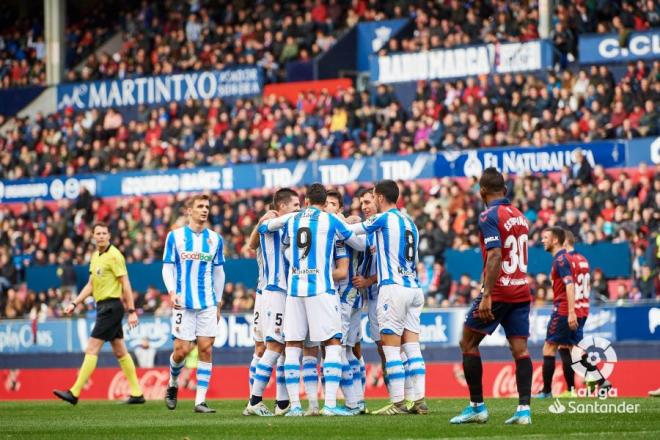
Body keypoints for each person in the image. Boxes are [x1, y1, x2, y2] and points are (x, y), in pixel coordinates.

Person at [265, 183, 363, 416]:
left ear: (307, 201)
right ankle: (329, 404)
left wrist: (268, 220)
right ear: (322, 202)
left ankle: (296, 407)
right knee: (332, 344)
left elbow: (274, 236)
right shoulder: (331, 220)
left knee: (293, 346)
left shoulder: (292, 219)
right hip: (321, 289)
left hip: (295, 291)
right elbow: (357, 243)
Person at [449, 167, 533, 425]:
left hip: (498, 292)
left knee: (467, 342)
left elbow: (495, 254)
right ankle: (524, 411)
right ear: (505, 191)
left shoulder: (488, 215)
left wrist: (487, 295)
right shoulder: (520, 215)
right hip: (521, 289)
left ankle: (477, 407)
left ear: (482, 191)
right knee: (520, 350)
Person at [346, 179, 427, 416]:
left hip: (393, 288)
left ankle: (398, 402)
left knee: (390, 349)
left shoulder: (383, 218)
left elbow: (351, 231)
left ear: (380, 197)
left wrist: (336, 221)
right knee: (412, 347)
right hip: (414, 288)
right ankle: (419, 399)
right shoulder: (410, 222)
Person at [53, 223, 144, 405]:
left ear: (109, 235)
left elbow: (125, 283)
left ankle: (75, 392)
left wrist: (132, 310)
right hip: (102, 307)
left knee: (92, 348)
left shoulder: (115, 255)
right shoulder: (95, 257)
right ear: (93, 236)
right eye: (98, 233)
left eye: (104, 233)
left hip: (112, 307)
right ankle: (137, 393)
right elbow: (90, 285)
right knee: (120, 351)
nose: (101, 236)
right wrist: (74, 303)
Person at [162, 194, 226, 413]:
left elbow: (219, 273)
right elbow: (167, 267)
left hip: (207, 302)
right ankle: (172, 383)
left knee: (206, 349)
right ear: (189, 211)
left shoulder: (215, 239)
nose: (205, 210)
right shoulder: (175, 237)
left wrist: (218, 303)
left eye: (207, 206)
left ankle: (200, 401)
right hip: (183, 303)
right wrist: (172, 293)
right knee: (181, 351)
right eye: (200, 206)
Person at [244, 189, 300, 416]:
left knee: (284, 348)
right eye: (295, 205)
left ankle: (282, 403)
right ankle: (254, 401)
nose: (298, 209)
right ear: (282, 206)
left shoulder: (283, 225)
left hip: (277, 293)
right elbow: (253, 241)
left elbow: (251, 243)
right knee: (273, 346)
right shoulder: (271, 223)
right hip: (275, 292)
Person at [324, 189, 365, 414]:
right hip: (347, 295)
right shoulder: (330, 229)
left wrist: (347, 222)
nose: (328, 207)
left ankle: (351, 402)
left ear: (339, 209)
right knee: (347, 350)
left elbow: (362, 245)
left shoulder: (343, 229)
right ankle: (357, 402)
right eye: (326, 203)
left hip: (347, 295)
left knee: (338, 349)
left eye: (332, 204)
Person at [535, 227, 582, 398]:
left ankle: (546, 391)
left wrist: (570, 312)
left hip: (562, 311)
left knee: (549, 348)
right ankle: (572, 390)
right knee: (567, 348)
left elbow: (570, 285)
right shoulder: (565, 258)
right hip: (566, 309)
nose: (542, 240)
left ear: (555, 240)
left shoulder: (560, 260)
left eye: (545, 237)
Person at [351, 188, 381, 404]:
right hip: (370, 299)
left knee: (391, 348)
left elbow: (395, 265)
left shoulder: (384, 227)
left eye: (368, 202)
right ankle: (404, 398)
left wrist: (369, 281)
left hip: (384, 296)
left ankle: (407, 397)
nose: (364, 207)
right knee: (384, 348)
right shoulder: (369, 231)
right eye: (362, 203)